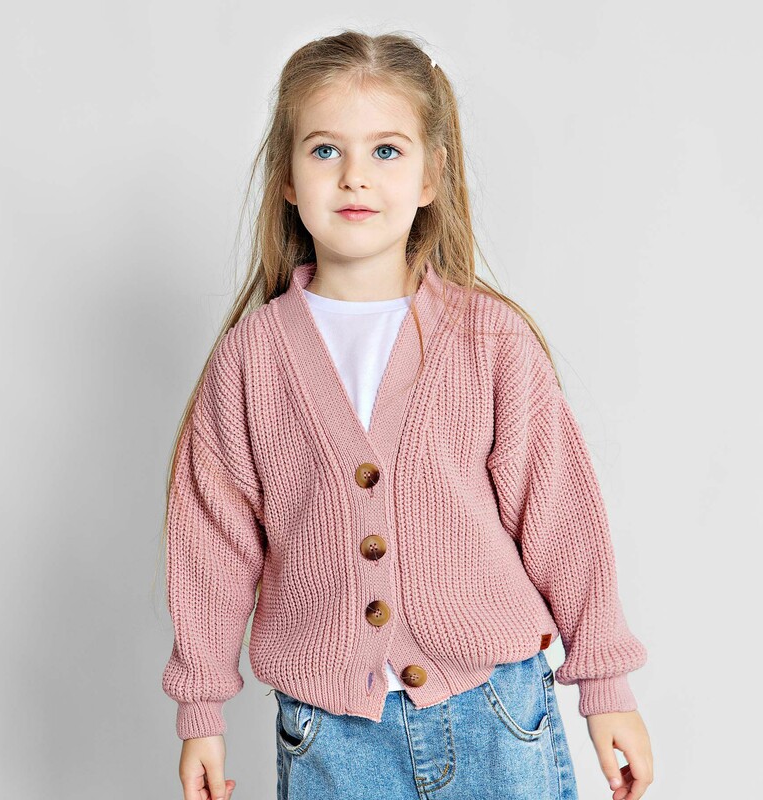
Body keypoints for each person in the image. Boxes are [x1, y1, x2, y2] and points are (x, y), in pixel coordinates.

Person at [159, 28, 654, 800]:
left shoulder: (489, 340)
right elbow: (211, 542)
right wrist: (201, 710)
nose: (355, 175)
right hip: (332, 733)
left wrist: (606, 686)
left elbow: (561, 518)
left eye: (386, 150)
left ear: (431, 176)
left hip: (496, 711)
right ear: (287, 177)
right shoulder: (251, 360)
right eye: (325, 150)